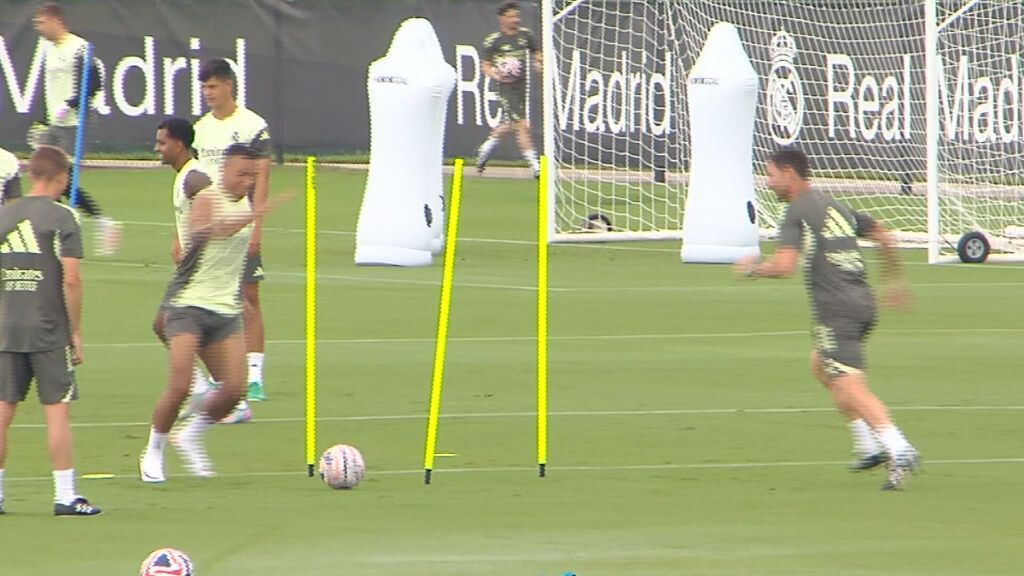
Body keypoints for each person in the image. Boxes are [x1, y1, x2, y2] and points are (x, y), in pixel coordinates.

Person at [734, 148, 921, 490]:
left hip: (837, 309)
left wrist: (752, 270)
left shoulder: (797, 210)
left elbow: (784, 267)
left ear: (790, 173)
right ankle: (867, 446)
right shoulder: (833, 205)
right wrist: (895, 282)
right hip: (862, 303)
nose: (769, 181)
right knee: (821, 365)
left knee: (851, 384)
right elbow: (884, 235)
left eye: (771, 174)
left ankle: (899, 447)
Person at [139, 144, 287, 482]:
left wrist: (244, 303)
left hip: (224, 309)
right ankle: (153, 451)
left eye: (252, 176)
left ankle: (190, 435)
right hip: (188, 304)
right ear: (225, 171)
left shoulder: (246, 203)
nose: (247, 182)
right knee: (179, 385)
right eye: (241, 174)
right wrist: (252, 215)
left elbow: (234, 263)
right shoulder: (208, 197)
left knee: (234, 390)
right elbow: (207, 231)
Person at [0, 145, 100, 515]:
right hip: (48, 328)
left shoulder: (6, 214)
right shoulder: (62, 217)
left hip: (7, 326)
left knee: (3, 410)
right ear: (59, 178)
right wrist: (75, 330)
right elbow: (71, 279)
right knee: (56, 410)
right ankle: (64, 495)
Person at [192, 58, 272, 416]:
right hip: (206, 230)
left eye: (213, 86)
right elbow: (191, 185)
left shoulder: (253, 126)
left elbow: (262, 180)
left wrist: (256, 226)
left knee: (246, 298)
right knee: (204, 300)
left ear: (228, 86)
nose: (208, 93)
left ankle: (253, 375)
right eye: (204, 87)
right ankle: (218, 375)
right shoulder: (200, 129)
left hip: (239, 226)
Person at [30, 2, 120, 256]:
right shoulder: (49, 50)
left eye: (41, 22)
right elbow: (50, 89)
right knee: (48, 179)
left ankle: (97, 224)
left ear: (55, 20)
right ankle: (58, 234)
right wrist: (44, 118)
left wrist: (70, 104)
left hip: (75, 123)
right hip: (55, 123)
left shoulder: (78, 47)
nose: (39, 28)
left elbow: (94, 82)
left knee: (62, 180)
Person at [151, 118, 214, 416]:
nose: (157, 148)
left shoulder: (194, 178)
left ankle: (213, 389)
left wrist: (198, 249)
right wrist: (181, 238)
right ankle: (206, 387)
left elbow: (214, 203)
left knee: (167, 325)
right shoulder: (184, 176)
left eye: (162, 142)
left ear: (178, 144)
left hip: (201, 269)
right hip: (193, 267)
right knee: (172, 327)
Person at [475, 1, 543, 178]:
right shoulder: (494, 41)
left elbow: (537, 52)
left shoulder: (525, 35)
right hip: (506, 88)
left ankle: (485, 149)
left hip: (522, 87)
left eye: (517, 16)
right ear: (502, 18)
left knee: (510, 124)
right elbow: (486, 66)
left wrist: (538, 62)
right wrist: (496, 75)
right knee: (521, 124)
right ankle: (535, 166)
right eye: (511, 16)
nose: (515, 20)